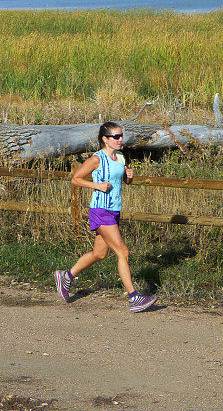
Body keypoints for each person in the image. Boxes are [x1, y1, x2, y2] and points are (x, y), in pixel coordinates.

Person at [54, 121, 158, 313]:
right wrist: (97, 186)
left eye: (121, 136)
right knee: (123, 252)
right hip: (100, 210)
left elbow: (124, 182)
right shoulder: (97, 159)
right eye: (116, 137)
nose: (120, 140)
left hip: (114, 210)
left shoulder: (120, 156)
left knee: (99, 254)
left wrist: (129, 177)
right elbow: (75, 179)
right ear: (105, 139)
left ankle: (66, 276)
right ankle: (134, 297)